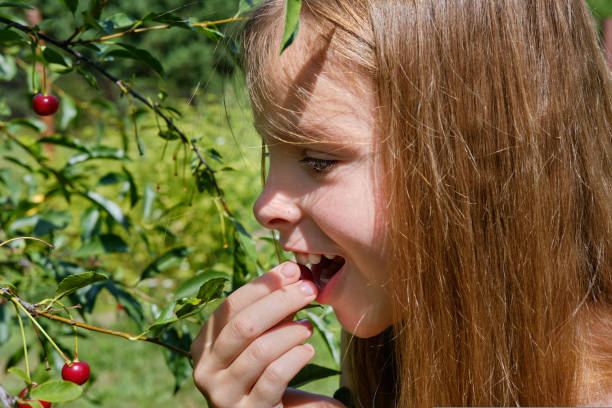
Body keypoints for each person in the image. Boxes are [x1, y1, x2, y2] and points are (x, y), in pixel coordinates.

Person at [190, 0, 612, 406]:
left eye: (319, 160)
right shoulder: (396, 344)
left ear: (483, 160)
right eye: (270, 150)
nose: (265, 206)